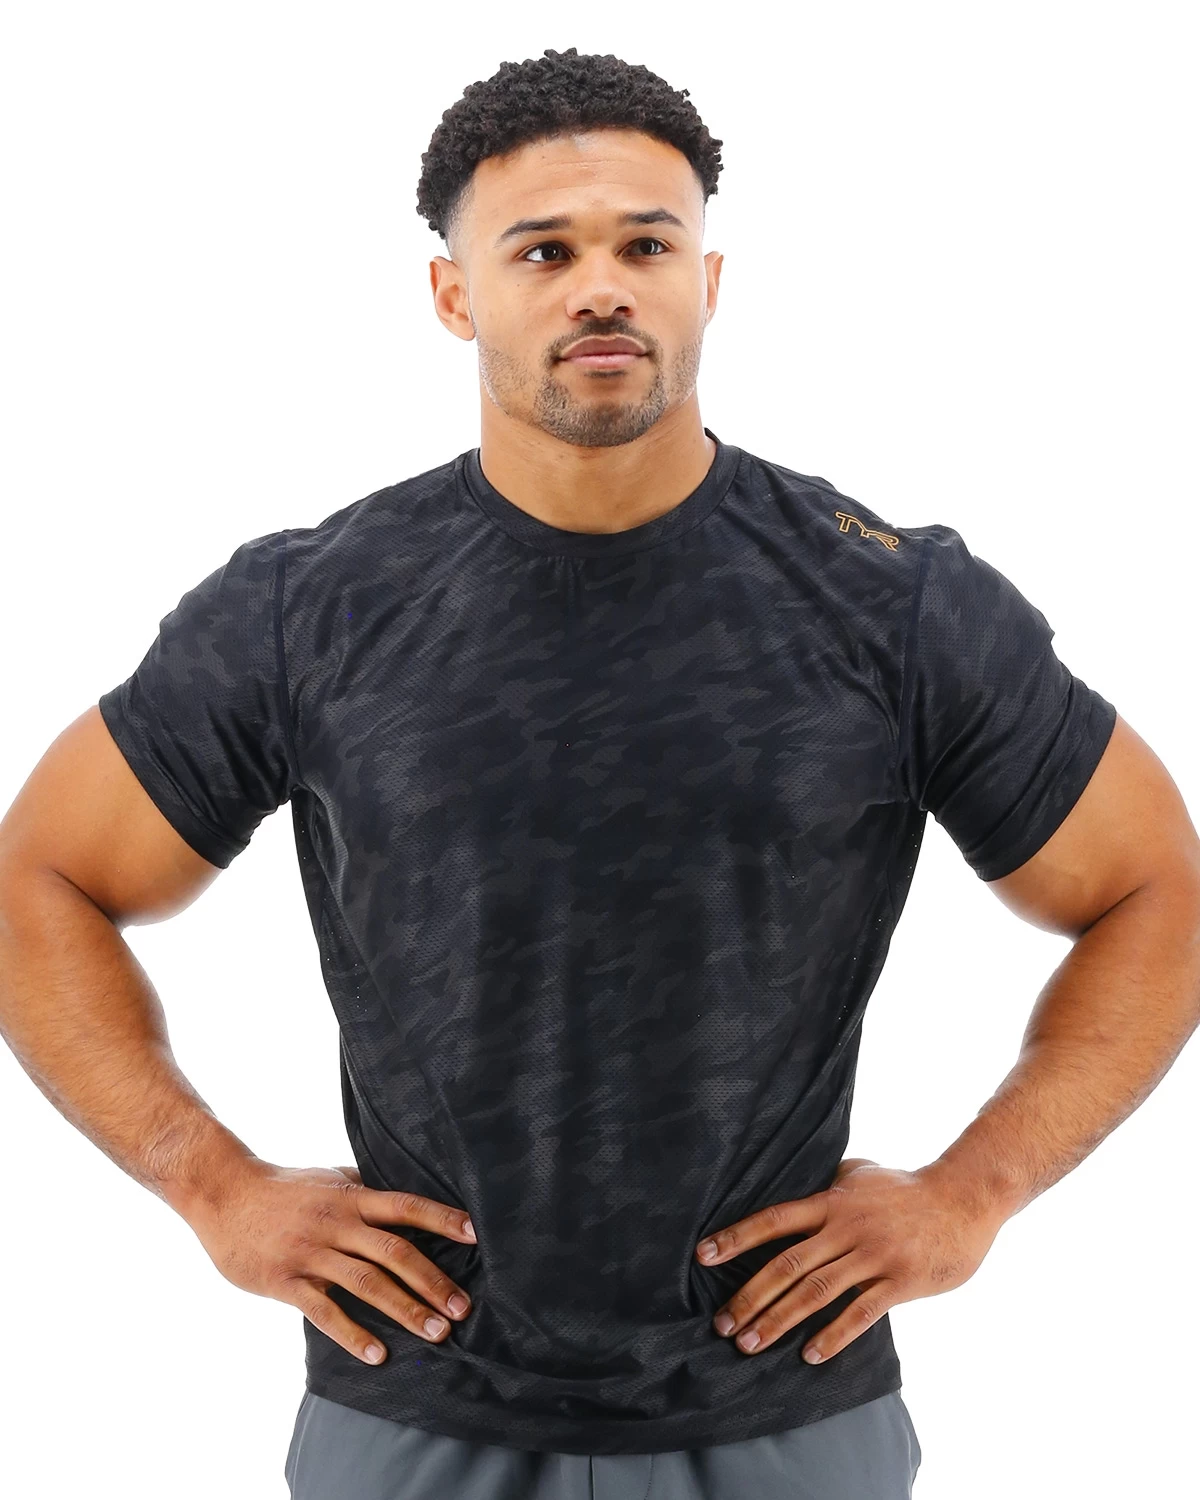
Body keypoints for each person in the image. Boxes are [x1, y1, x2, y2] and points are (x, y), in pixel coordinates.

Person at [1, 43, 1198, 1500]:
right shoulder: (311, 606)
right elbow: (41, 878)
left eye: (647, 244)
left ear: (709, 280)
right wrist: (213, 1187)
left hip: (783, 1406)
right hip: (414, 1401)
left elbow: (1155, 888)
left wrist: (973, 1193)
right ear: (455, 294)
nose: (602, 288)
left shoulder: (891, 605)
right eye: (544, 251)